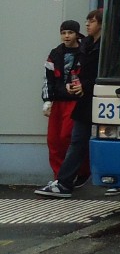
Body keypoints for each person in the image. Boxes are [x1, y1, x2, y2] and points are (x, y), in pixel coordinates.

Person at [36, 9, 120, 198]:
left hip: (104, 97)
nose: (87, 24)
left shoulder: (111, 46)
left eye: (91, 21)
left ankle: (118, 179)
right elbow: (78, 72)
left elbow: (110, 73)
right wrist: (75, 85)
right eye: (87, 21)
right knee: (76, 140)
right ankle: (64, 182)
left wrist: (84, 85)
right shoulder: (86, 44)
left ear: (102, 23)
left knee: (109, 138)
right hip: (83, 99)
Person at [40, 19, 84, 182]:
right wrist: (47, 100)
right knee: (53, 140)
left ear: (77, 35)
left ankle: (77, 173)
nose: (66, 36)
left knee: (68, 136)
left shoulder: (84, 53)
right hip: (57, 101)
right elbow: (47, 78)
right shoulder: (55, 54)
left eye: (70, 33)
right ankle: (59, 176)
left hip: (75, 101)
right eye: (63, 33)